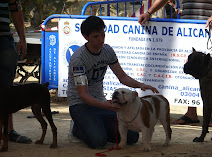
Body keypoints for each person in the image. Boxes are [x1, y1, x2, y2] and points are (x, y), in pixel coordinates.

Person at [67, 16, 159, 149]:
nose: (101, 40)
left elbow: (122, 76)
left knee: (132, 137)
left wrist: (141, 85)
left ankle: (97, 125)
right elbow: (83, 95)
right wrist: (107, 106)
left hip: (100, 103)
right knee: (98, 141)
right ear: (85, 37)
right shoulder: (78, 59)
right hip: (80, 105)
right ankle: (77, 128)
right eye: (95, 36)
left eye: (103, 35)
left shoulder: (107, 50)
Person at [138, 0, 212, 125]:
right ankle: (191, 113)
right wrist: (149, 12)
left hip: (208, 28)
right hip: (190, 29)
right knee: (191, 71)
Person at [0, 0, 32, 143]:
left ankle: (8, 131)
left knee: (6, 87)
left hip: (4, 38)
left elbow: (15, 8)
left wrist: (23, 38)